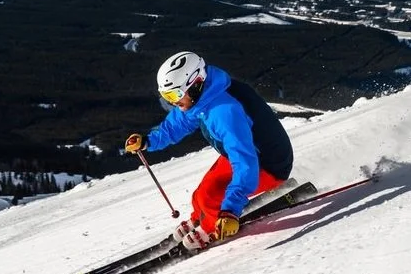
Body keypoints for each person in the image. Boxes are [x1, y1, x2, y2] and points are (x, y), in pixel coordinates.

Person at [124, 51, 293, 250]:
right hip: (244, 155)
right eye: (166, 96)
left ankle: (210, 228)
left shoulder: (224, 112)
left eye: (174, 95)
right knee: (199, 194)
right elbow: (178, 123)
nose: (172, 102)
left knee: (211, 195)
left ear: (195, 84)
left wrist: (230, 209)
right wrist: (148, 141)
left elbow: (245, 161)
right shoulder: (204, 96)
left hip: (269, 164)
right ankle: (200, 218)